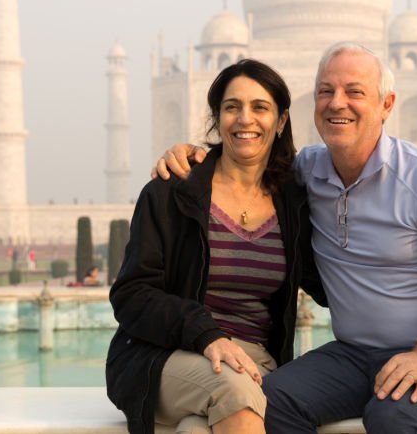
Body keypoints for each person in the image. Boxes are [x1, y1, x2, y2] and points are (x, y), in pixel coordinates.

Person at [157, 43, 417, 434]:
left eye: (355, 92)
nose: (337, 103)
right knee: (267, 403)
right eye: (325, 91)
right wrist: (193, 156)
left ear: (387, 105)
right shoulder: (304, 172)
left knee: (393, 416)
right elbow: (242, 163)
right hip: (355, 355)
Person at [107, 59, 321, 434]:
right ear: (217, 116)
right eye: (232, 106)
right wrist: (206, 334)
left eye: (260, 107)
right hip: (164, 355)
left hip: (253, 357)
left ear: (282, 120)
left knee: (196, 429)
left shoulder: (294, 199)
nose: (245, 119)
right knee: (235, 396)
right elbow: (131, 293)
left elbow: (330, 281)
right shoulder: (174, 189)